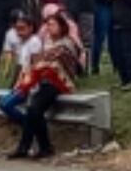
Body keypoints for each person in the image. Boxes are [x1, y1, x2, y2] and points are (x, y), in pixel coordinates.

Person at [10, 13, 79, 161]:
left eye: (52, 24)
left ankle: (40, 147)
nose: (49, 27)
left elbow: (49, 61)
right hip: (45, 81)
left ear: (61, 26)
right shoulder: (47, 42)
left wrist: (41, 63)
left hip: (60, 81)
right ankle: (30, 147)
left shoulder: (66, 43)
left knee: (34, 108)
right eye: (47, 25)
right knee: (33, 110)